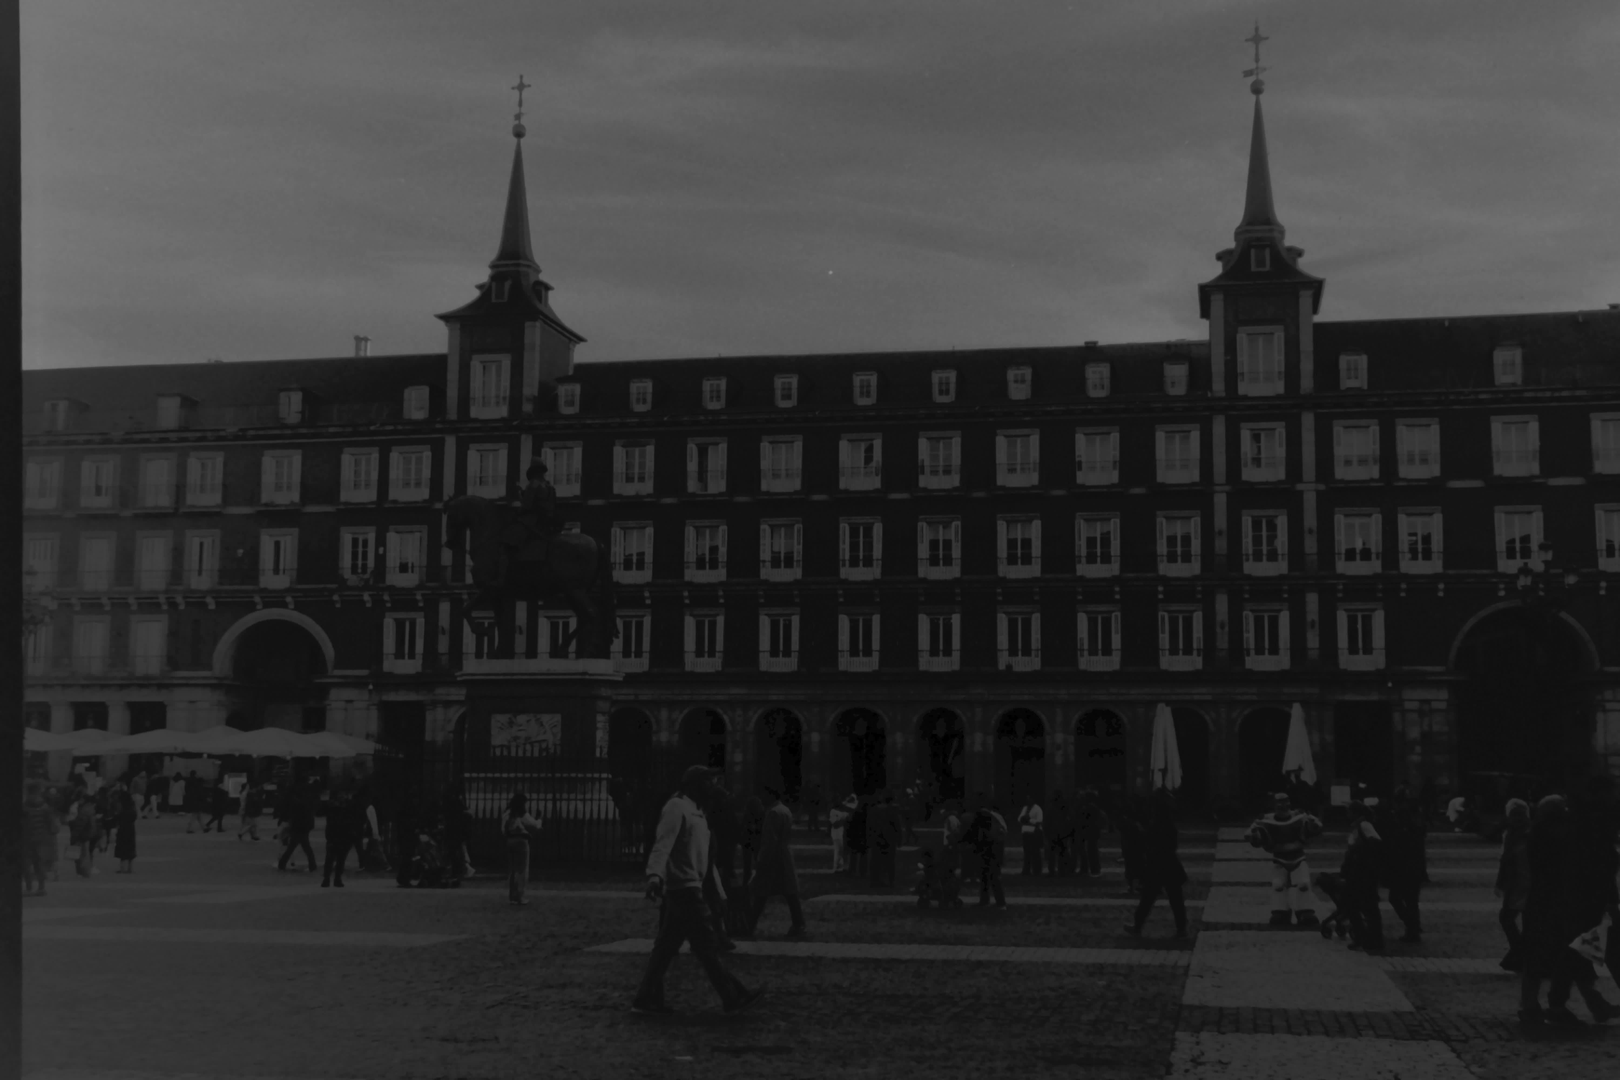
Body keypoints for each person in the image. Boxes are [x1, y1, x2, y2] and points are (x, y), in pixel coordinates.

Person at [631, 765, 762, 1016]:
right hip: (684, 889)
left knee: (666, 949)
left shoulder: (697, 813)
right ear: (693, 785)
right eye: (708, 781)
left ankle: (645, 998)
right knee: (707, 947)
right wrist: (654, 876)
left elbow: (706, 859)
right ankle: (733, 997)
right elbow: (662, 844)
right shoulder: (676, 807)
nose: (713, 785)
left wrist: (720, 892)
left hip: (692, 887)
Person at [1518, 795, 1618, 1028]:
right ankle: (1546, 1005)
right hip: (1556, 902)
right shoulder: (1558, 837)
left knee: (1567, 952)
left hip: (1547, 901)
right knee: (1568, 952)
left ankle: (1553, 1004)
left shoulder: (1540, 835)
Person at [1247, 792, 1323, 928]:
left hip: (1297, 856)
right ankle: (1280, 912)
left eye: (1285, 802)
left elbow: (1316, 828)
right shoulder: (1266, 819)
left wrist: (1312, 823)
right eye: (1279, 803)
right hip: (1279, 857)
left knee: (1303, 884)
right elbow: (1254, 835)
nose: (1283, 806)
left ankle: (1305, 911)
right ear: (1274, 805)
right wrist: (1254, 834)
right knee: (1278, 886)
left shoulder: (1299, 816)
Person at [1124, 790, 1187, 938]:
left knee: (1148, 899)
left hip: (1158, 865)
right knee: (1174, 900)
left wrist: (1144, 836)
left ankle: (1138, 926)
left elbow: (1153, 843)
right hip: (1169, 865)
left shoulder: (1158, 824)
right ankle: (1181, 929)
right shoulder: (1168, 825)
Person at [746, 788, 807, 939]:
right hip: (784, 854)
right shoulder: (785, 810)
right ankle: (798, 924)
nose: (761, 799)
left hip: (774, 858)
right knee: (790, 892)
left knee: (761, 891)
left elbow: (769, 840)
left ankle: (749, 925)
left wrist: (761, 860)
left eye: (764, 795)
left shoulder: (772, 813)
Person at [1379, 786, 1427, 944]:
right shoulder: (1417, 817)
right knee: (1411, 900)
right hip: (1414, 865)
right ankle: (1413, 927)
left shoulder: (1400, 818)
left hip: (1403, 866)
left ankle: (1412, 927)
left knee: (1398, 898)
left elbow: (1395, 842)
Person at [1339, 801, 1384, 953]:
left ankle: (1373, 940)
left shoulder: (1364, 825)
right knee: (1353, 906)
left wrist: (1359, 854)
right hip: (1355, 873)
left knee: (1368, 908)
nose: (1346, 815)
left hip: (1364, 874)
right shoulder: (1357, 826)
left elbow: (1376, 843)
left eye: (1349, 811)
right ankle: (1361, 937)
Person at [1494, 798, 1532, 971]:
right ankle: (1520, 955)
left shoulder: (1516, 834)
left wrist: (1501, 882)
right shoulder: (1525, 832)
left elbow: (1507, 860)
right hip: (1522, 883)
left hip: (1520, 883)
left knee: (1508, 918)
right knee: (1522, 921)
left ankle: (1519, 954)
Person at [502, 791, 544, 905]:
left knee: (513, 869)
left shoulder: (507, 813)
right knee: (522, 870)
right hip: (521, 841)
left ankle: (512, 894)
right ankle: (519, 895)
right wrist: (539, 818)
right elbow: (535, 825)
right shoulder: (522, 814)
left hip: (510, 841)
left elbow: (503, 829)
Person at [320, 787, 364, 888]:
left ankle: (334, 878)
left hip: (342, 834)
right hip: (337, 834)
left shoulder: (347, 806)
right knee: (333, 858)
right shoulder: (341, 806)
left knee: (338, 858)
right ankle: (330, 878)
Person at [22, 782, 59, 896]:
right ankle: (41, 887)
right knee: (39, 863)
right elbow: (53, 826)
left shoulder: (23, 807)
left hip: (26, 839)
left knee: (26, 864)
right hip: (42, 840)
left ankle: (29, 888)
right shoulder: (45, 807)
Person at [968, 802, 1008, 909]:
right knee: (993, 878)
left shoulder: (980, 819)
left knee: (986, 878)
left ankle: (988, 901)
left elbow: (974, 835)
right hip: (993, 852)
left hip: (986, 852)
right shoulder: (993, 818)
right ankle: (999, 902)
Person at [277, 778, 319, 873]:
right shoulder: (308, 798)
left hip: (299, 825)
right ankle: (312, 865)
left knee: (295, 845)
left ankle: (282, 864)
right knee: (303, 845)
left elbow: (293, 813)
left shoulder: (295, 800)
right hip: (305, 825)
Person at [1045, 791, 1073, 877]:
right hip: (1062, 832)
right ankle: (1062, 870)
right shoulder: (1065, 807)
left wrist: (1046, 833)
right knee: (1062, 852)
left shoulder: (1051, 808)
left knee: (1052, 853)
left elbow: (1047, 822)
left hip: (1053, 832)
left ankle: (1052, 871)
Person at [112, 781, 138, 874]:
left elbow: (117, 816)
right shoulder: (132, 806)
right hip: (131, 829)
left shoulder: (121, 806)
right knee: (130, 848)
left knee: (123, 849)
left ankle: (123, 868)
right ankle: (130, 868)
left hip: (123, 829)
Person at [829, 793, 856, 874]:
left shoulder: (844, 809)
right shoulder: (833, 811)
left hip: (843, 832)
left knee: (844, 851)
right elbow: (835, 824)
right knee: (839, 850)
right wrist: (845, 820)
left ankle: (843, 867)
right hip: (837, 833)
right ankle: (836, 867)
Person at [1017, 798, 1044, 876]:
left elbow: (1039, 821)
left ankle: (1037, 871)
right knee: (1027, 853)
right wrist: (1022, 819)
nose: (1028, 801)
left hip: (1034, 832)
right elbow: (1019, 818)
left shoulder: (1038, 809)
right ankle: (1026, 870)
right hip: (1025, 832)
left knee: (1035, 852)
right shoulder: (1025, 808)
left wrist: (1029, 820)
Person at [844, 796, 869, 879]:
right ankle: (862, 871)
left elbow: (850, 826)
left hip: (856, 836)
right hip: (862, 836)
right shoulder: (866, 815)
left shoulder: (856, 814)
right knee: (862, 854)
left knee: (854, 853)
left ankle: (853, 869)